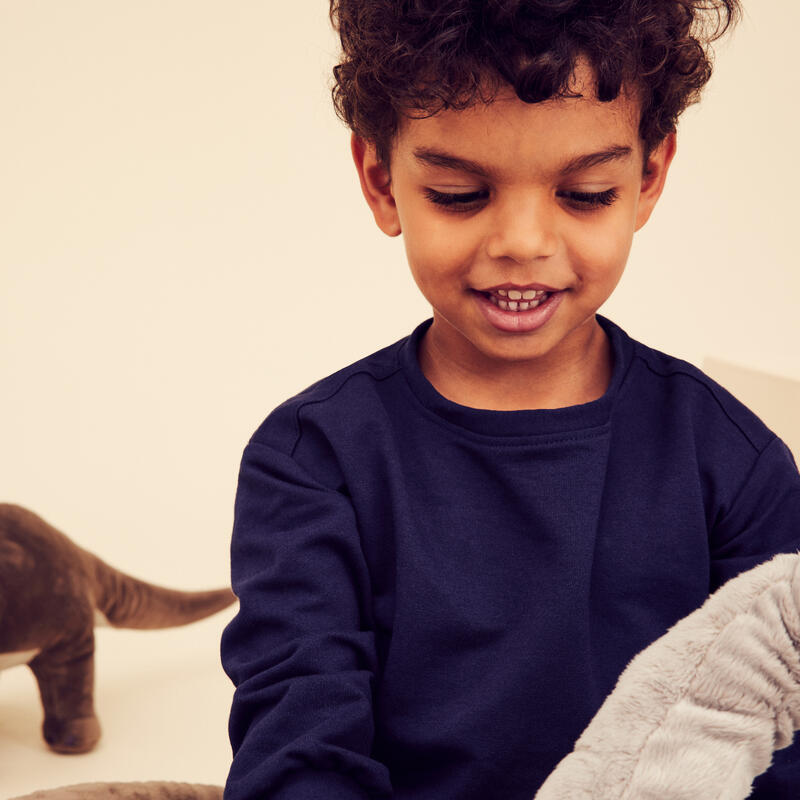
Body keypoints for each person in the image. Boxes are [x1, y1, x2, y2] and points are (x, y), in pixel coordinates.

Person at [220, 1, 800, 798]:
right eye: (460, 193)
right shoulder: (312, 461)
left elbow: (778, 743)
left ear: (649, 178)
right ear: (382, 181)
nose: (523, 242)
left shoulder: (735, 464)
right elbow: (299, 745)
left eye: (586, 192)